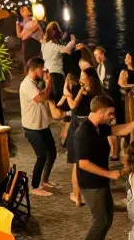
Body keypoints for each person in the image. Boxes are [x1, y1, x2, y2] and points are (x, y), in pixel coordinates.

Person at [74, 95, 134, 240]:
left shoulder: (99, 128)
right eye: (110, 113)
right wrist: (108, 173)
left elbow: (120, 130)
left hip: (101, 182)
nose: (112, 116)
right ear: (100, 111)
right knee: (99, 221)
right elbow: (82, 163)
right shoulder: (83, 132)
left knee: (107, 220)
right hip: (91, 184)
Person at [61, 65, 101, 205]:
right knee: (89, 160)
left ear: (89, 78)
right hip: (91, 126)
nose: (80, 78)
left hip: (78, 126)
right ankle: (90, 191)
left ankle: (77, 197)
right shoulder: (98, 93)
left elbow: (72, 106)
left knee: (77, 163)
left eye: (83, 76)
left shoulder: (82, 91)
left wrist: (66, 92)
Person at [18, 57, 57, 197]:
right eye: (41, 69)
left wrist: (46, 84)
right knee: (42, 156)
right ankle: (34, 186)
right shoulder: (27, 84)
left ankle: (44, 180)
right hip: (32, 127)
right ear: (35, 69)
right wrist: (49, 83)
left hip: (42, 125)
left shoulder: (34, 83)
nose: (43, 72)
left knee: (52, 152)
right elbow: (40, 99)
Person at [41, 21, 75, 120]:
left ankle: (56, 116)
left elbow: (58, 43)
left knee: (51, 98)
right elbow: (67, 50)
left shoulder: (44, 45)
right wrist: (72, 41)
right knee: (60, 100)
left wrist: (64, 37)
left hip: (46, 75)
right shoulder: (56, 48)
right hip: (56, 76)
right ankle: (64, 118)